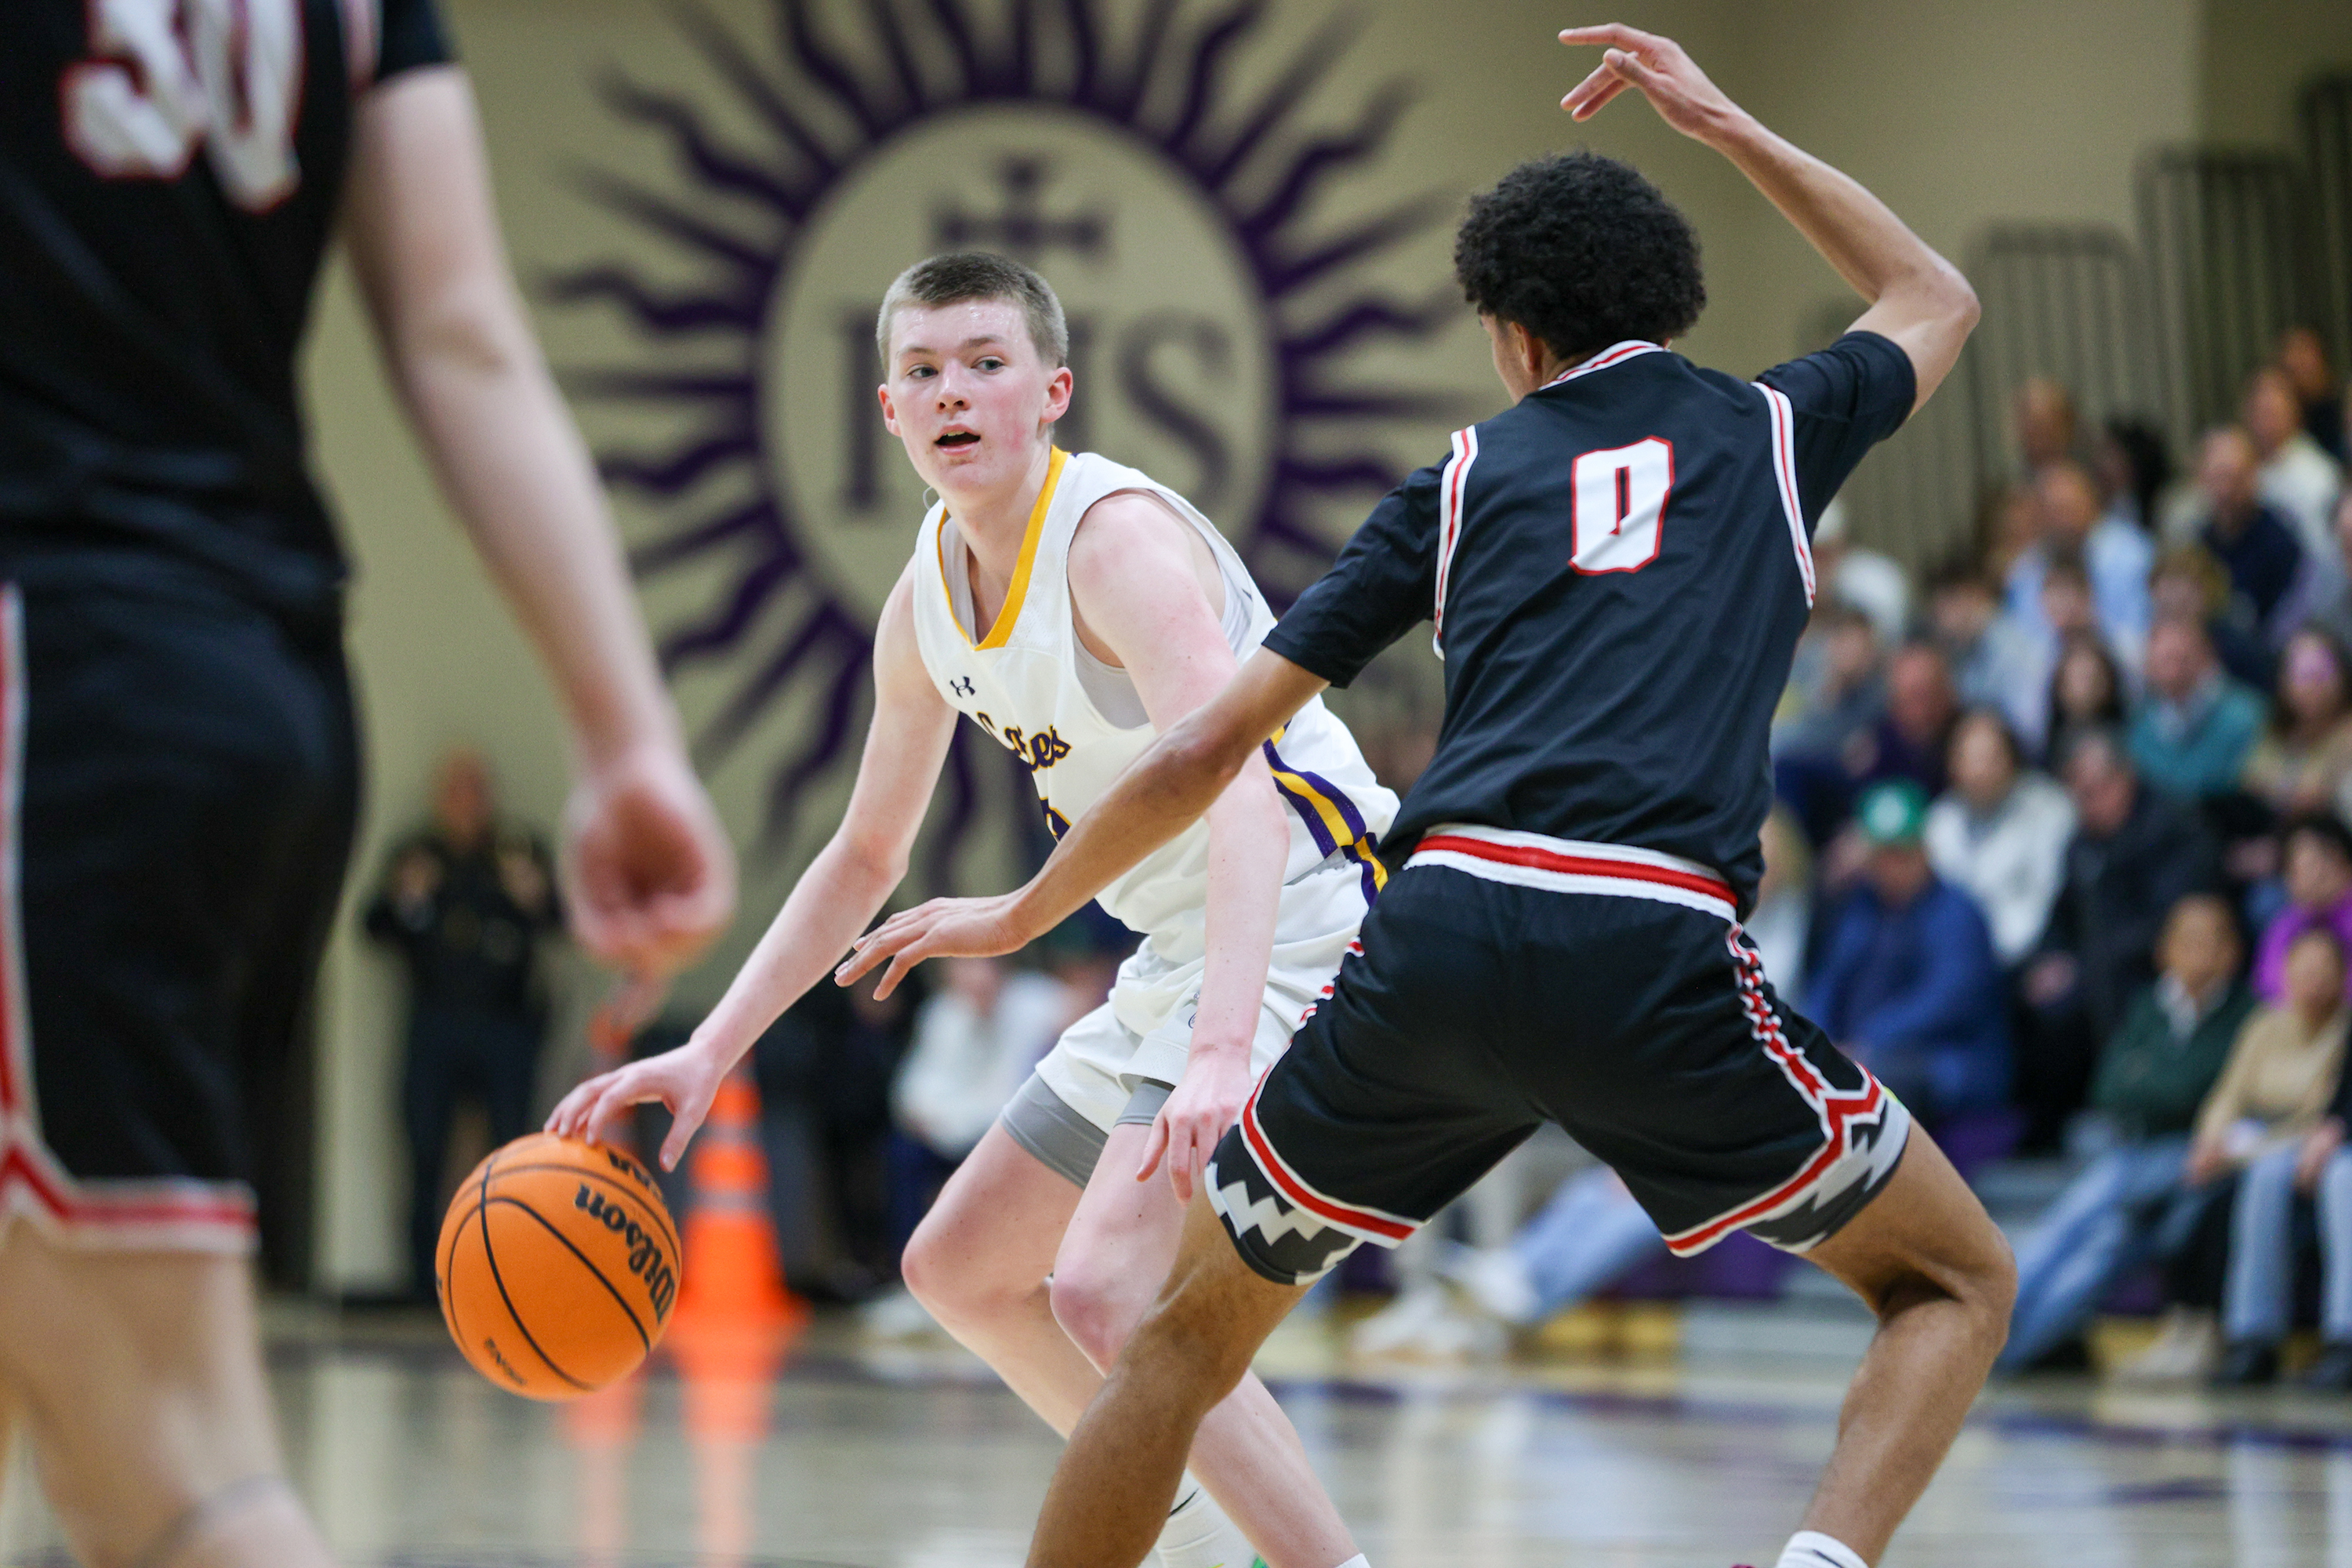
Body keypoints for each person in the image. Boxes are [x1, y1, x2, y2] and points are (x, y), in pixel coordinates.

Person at [848, 28, 2006, 1568]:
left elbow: (1207, 754)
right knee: (1953, 1283)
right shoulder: (1779, 428)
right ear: (1669, 305)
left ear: (1512, 338)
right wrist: (1722, 117)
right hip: (1655, 946)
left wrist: (1021, 906)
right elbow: (1939, 295)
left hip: (1435, 944)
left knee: (1173, 1343)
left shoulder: (1461, 481)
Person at [0, 9, 738, 1567]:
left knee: (168, 1464)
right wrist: (624, 734)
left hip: (57, 680)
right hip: (253, 687)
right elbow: (459, 334)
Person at [550, 252, 1388, 1568]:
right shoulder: (925, 600)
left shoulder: (1114, 545)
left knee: (1107, 1293)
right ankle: (1184, 1529)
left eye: (986, 364)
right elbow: (862, 855)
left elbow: (1244, 796)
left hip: (1315, 916)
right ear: (887, 411)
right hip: (1183, 948)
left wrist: (1223, 1047)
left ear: (1052, 393)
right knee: (960, 1269)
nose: (955, 392)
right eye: (924, 370)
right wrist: (709, 1049)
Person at [1998, 893, 2254, 1373]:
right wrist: (2172, 1089)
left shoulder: (2244, 1014)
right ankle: (1995, 1335)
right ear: (2165, 950)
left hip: (2195, 1156)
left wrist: (2158, 1084)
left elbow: (2202, 1091)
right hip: (2137, 1151)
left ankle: (1999, 1344)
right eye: (2185, 940)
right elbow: (2110, 1086)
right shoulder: (2149, 1006)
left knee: (2092, 1219)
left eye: (2208, 941)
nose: (2195, 952)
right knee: (2079, 1233)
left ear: (2232, 951)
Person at [365, 748, 561, 1300]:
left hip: (506, 1026)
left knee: (513, 1157)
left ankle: (513, 1280)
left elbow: (562, 924)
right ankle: (422, 1287)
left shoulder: (516, 852)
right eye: (456, 791)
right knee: (424, 1151)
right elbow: (373, 929)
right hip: (435, 1026)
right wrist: (408, 898)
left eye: (476, 790)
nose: (467, 803)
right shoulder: (419, 856)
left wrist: (534, 896)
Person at [2021, 729, 2220, 1145]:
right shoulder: (2082, 842)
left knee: (2108, 989)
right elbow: (2060, 916)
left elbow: (2172, 922)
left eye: (2096, 790)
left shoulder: (2172, 827)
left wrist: (2088, 961)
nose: (2087, 802)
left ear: (2124, 779)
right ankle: (2048, 1132)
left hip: (2156, 968)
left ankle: (2125, 1110)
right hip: (2096, 966)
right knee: (2033, 997)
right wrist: (2049, 958)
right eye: (2078, 792)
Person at [2190, 926, 2350, 1385]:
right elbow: (2228, 1093)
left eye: (2325, 971)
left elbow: (2322, 1113)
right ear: (2284, 973)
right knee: (2259, 1178)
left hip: (2298, 1139)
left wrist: (2241, 1153)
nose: (2313, 981)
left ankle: (2342, 1339)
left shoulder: (2345, 1031)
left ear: (2343, 977)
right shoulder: (2264, 1024)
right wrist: (2210, 1140)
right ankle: (2253, 1336)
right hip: (2258, 1140)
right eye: (2303, 970)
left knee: (2293, 1175)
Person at [1806, 782, 2011, 1123]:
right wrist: (1818, 1041)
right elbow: (1828, 981)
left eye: (1901, 852)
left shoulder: (1957, 913)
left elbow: (1948, 1001)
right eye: (1881, 855)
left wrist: (1866, 1043)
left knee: (1875, 1080)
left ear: (1924, 849)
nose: (1891, 866)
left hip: (1947, 1060)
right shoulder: (1859, 908)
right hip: (1862, 1053)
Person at [887, 956, 1069, 1249]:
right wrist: (923, 1115)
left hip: (1010, 1127)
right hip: (950, 1128)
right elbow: (916, 1083)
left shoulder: (1038, 1001)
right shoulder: (941, 1013)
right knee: (903, 1154)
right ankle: (912, 1256)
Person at [1923, 710, 2074, 968]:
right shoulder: (1939, 821)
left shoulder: (2050, 809)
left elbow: (2048, 898)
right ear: (1952, 766)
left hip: (2033, 953)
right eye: (1970, 760)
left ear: (2012, 758)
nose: (1981, 771)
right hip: (1953, 958)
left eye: (1991, 758)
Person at [2003, 460, 2153, 671]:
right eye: (2053, 509)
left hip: (2122, 673)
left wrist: (2088, 626)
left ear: (2092, 502)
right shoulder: (2025, 569)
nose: (2063, 519)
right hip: (2045, 680)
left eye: (2069, 507)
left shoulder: (2132, 554)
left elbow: (2143, 635)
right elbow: (2019, 644)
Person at [2126, 615, 2266, 802]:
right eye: (2164, 660)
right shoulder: (2140, 727)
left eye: (2180, 658)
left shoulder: (2246, 714)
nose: (2172, 671)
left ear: (2206, 655)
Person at [2195, 426, 2305, 637]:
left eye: (2235, 478)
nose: (2226, 490)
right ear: (2201, 478)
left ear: (2254, 476)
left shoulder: (2281, 545)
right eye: (2218, 477)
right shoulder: (2198, 545)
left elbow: (2286, 628)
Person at [1926, 564, 2045, 748]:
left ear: (1975, 596)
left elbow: (2029, 730)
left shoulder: (2013, 647)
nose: (1943, 620)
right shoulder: (1960, 651)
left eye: (1948, 605)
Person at [2241, 629, 2352, 818]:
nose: (2313, 686)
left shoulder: (2347, 733)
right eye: (2302, 674)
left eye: (2322, 674)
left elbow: (2312, 795)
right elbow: (2250, 780)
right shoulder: (2275, 730)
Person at [2245, 365, 2345, 563]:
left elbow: (2323, 553)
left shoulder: (2318, 474)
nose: (2266, 422)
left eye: (2273, 411)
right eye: (2260, 411)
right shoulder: (2245, 470)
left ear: (2295, 413)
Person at [2250, 815, 2352, 1005]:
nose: (2308, 878)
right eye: (2295, 869)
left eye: (2315, 864)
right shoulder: (2287, 922)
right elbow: (2266, 986)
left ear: (2341, 860)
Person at [2043, 634, 2128, 764]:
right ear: (2060, 685)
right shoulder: (2047, 746)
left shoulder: (2130, 739)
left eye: (2094, 677)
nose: (2087, 686)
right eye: (2078, 678)